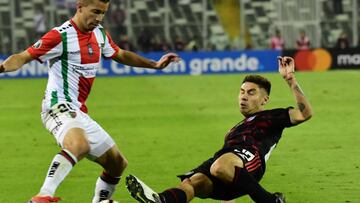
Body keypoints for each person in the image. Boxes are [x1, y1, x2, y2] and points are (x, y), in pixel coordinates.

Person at [0, 0, 180, 202]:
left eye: (103, 13)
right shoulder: (60, 35)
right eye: (95, 12)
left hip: (78, 111)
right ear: (80, 7)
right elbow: (23, 57)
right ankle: (42, 196)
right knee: (79, 145)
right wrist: (2, 67)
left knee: (117, 163)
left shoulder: (99, 33)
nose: (99, 18)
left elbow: (119, 53)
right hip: (57, 107)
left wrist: (154, 64)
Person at [125, 56, 313, 203]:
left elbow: (305, 114)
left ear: (264, 100)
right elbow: (229, 170)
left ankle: (269, 200)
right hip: (226, 164)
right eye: (241, 92)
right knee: (193, 182)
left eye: (251, 92)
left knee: (220, 166)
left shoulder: (271, 117)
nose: (244, 97)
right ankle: (163, 200)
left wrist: (290, 80)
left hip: (249, 158)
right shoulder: (233, 130)